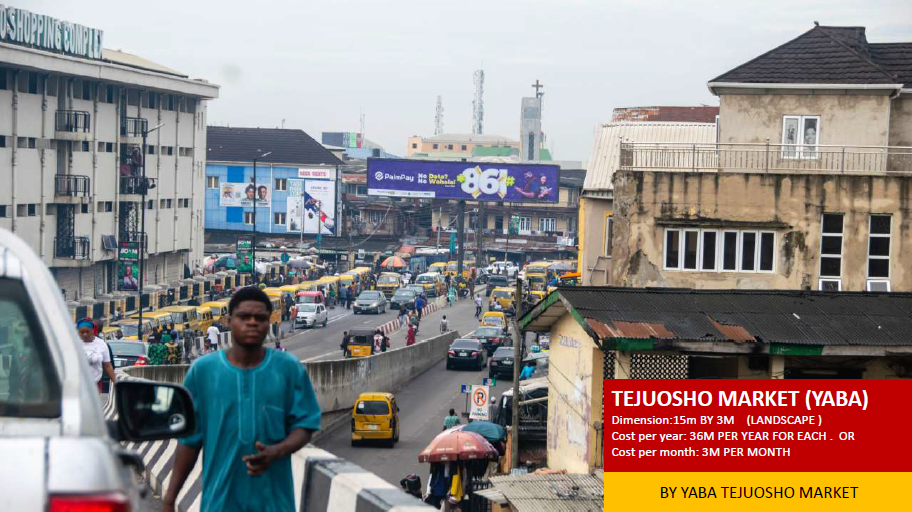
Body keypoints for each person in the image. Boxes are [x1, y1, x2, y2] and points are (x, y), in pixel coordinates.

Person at [163, 287, 321, 512]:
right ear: (229, 321)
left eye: (260, 318)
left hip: (275, 504)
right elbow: (189, 442)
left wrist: (278, 450)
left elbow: (305, 425)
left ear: (269, 324)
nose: (252, 323)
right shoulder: (203, 372)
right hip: (219, 504)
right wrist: (170, 499)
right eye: (244, 317)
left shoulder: (288, 369)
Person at [77, 318, 116, 393]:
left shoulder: (101, 344)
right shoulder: (73, 342)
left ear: (93, 331)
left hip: (95, 384)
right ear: (78, 332)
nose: (85, 334)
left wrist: (115, 382)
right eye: (82, 332)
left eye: (87, 332)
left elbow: (107, 365)